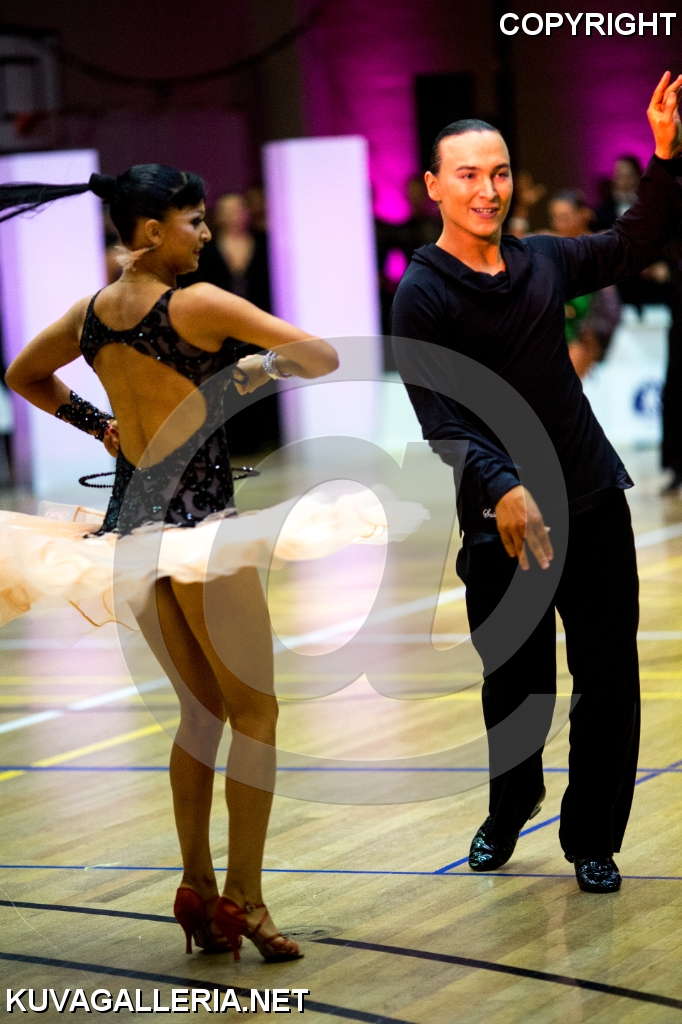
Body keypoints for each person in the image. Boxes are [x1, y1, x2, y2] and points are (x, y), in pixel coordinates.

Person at [2, 164, 342, 961]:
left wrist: (101, 425)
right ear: (151, 231)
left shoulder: (91, 314)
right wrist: (253, 372)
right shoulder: (196, 304)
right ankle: (245, 900)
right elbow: (322, 355)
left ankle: (196, 885)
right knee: (255, 714)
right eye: (193, 220)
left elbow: (22, 374)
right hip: (201, 530)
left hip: (132, 532)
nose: (204, 234)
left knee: (199, 713)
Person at [391, 73, 682, 894]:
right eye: (469, 175)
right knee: (517, 688)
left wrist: (664, 157)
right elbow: (443, 419)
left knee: (608, 679)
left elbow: (631, 244)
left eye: (500, 173)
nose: (488, 190)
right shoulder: (421, 295)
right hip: (502, 522)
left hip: (590, 499)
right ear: (435, 185)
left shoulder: (544, 262)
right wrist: (503, 485)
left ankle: (593, 837)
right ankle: (510, 806)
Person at [547, 190, 622, 378]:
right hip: (553, 332)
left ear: (585, 214)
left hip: (586, 331)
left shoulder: (600, 245)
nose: (560, 223)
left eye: (565, 217)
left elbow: (607, 306)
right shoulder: (548, 244)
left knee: (567, 386)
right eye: (555, 217)